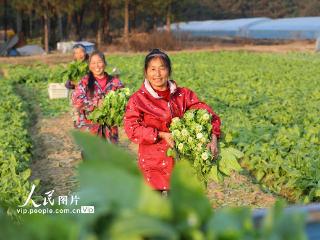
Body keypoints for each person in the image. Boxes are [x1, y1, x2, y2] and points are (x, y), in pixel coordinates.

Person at [124, 48, 221, 193]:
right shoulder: (138, 99)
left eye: (162, 69)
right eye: (152, 69)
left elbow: (208, 115)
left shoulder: (183, 95)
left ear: (169, 71)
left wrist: (213, 137)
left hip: (182, 163)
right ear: (146, 72)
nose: (157, 74)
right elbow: (132, 129)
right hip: (153, 165)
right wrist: (161, 134)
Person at [72, 50, 124, 143]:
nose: (97, 66)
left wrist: (111, 105)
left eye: (99, 62)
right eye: (93, 63)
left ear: (104, 63)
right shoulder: (85, 82)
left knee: (110, 155)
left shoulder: (115, 82)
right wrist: (95, 103)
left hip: (110, 128)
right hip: (90, 128)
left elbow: (123, 100)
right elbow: (77, 100)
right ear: (89, 65)